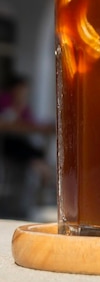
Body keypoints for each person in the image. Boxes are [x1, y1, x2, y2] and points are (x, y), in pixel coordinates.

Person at [0, 73, 55, 217]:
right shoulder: (5, 100)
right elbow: (6, 123)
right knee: (31, 153)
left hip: (19, 143)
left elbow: (29, 124)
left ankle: (42, 172)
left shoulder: (24, 106)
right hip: (7, 143)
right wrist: (17, 107)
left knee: (37, 152)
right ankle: (42, 172)